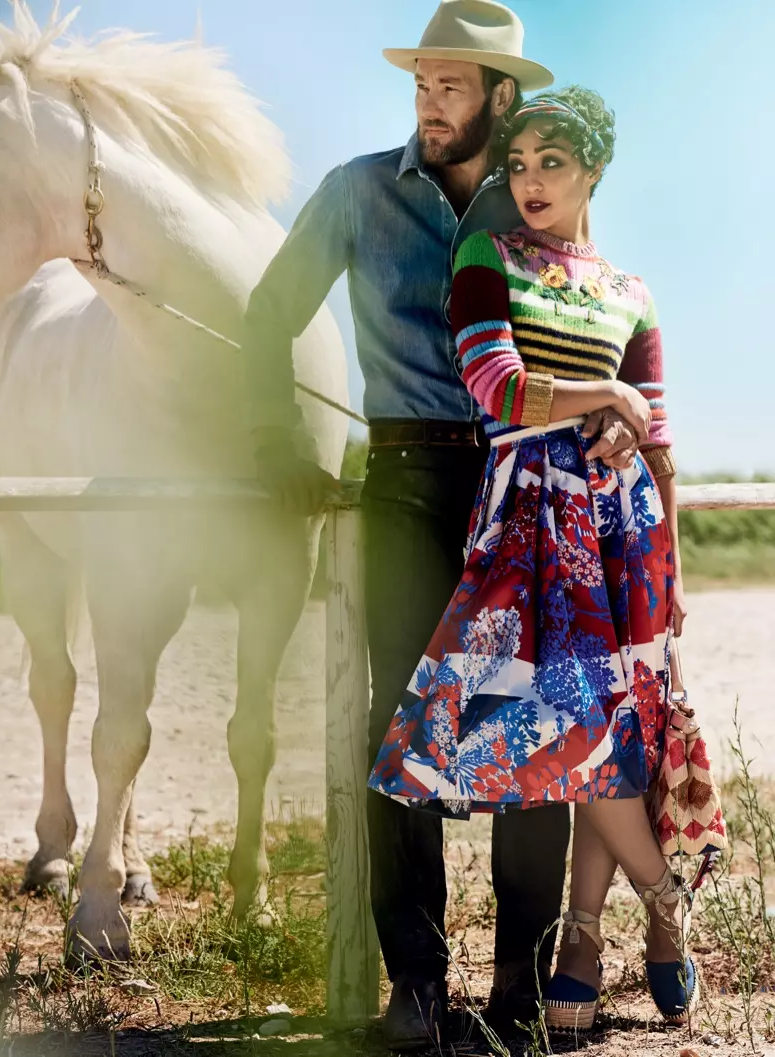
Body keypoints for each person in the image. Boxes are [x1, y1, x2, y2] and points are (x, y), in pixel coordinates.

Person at [245, 2, 639, 1048]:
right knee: (397, 728)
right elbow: (265, 315)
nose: (426, 105)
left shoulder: (536, 202)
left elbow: (599, 327)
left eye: (448, 86)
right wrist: (276, 445)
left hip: (525, 485)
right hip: (409, 475)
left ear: (498, 97)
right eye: (418, 84)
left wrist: (613, 420)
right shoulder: (356, 192)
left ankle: (515, 991)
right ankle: (416, 986)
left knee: (532, 735)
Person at [369, 85, 725, 1033]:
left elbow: (660, 441)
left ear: (595, 171)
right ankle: (663, 902)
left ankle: (581, 936)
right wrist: (609, 394)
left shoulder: (631, 291)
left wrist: (674, 567)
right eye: (518, 164)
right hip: (528, 525)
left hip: (624, 532)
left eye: (551, 165)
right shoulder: (489, 256)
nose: (528, 182)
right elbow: (497, 387)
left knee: (615, 728)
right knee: (569, 725)